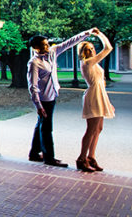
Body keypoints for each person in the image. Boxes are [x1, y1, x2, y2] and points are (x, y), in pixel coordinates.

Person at [27, 27, 94, 167]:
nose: (48, 46)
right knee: (46, 128)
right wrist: (38, 106)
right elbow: (32, 86)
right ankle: (49, 158)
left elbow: (69, 42)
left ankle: (34, 153)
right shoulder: (34, 63)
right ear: (36, 47)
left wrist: (85, 33)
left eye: (47, 43)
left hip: (52, 95)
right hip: (44, 99)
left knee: (41, 124)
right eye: (44, 44)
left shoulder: (52, 52)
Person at [75, 28, 115, 172]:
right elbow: (108, 48)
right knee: (91, 129)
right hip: (93, 96)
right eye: (87, 49)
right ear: (82, 52)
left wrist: (108, 102)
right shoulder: (87, 63)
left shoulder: (93, 63)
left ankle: (91, 157)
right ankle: (81, 158)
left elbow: (101, 83)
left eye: (92, 48)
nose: (91, 50)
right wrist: (99, 35)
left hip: (100, 95)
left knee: (98, 128)